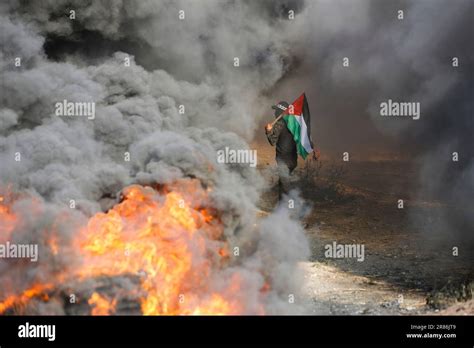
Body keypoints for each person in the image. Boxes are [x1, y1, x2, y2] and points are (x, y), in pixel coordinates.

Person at [265, 101, 319, 199]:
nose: (274, 113)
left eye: (276, 110)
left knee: (285, 185)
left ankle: (287, 206)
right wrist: (313, 149)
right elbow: (304, 136)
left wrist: (268, 131)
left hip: (283, 160)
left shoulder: (280, 123)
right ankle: (283, 206)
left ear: (280, 112)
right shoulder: (294, 124)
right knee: (283, 182)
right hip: (293, 160)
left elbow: (272, 141)